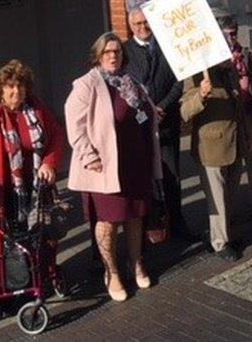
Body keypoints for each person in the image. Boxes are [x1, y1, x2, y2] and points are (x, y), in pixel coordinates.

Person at [65, 33, 162, 302]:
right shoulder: (86, 85)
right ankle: (113, 272)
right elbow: (75, 126)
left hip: (135, 164)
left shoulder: (130, 82)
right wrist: (88, 155)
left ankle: (136, 263)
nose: (112, 56)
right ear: (98, 55)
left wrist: (153, 114)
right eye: (107, 51)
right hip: (105, 168)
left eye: (117, 51)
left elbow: (144, 111)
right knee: (108, 223)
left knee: (135, 217)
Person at [0, 60, 64, 300]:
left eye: (20, 86)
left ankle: (38, 280)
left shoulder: (36, 110)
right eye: (10, 86)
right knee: (2, 244)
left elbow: (57, 136)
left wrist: (50, 162)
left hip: (35, 188)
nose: (16, 91)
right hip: (1, 191)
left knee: (40, 236)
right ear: (1, 89)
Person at [123, 0, 192, 239]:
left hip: (166, 122)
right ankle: (145, 230)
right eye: (138, 24)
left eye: (146, 23)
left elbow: (178, 82)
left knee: (173, 176)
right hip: (140, 128)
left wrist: (161, 107)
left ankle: (177, 223)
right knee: (144, 180)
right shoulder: (125, 52)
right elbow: (124, 87)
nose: (143, 28)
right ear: (131, 26)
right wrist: (147, 110)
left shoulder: (167, 47)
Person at [180, 57, 245, 262]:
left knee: (231, 196)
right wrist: (201, 94)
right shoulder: (196, 75)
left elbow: (238, 109)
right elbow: (184, 112)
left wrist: (246, 137)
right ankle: (220, 242)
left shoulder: (230, 73)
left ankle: (229, 234)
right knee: (217, 200)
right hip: (211, 147)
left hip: (235, 143)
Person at [219, 16, 252, 223]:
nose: (231, 38)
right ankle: (229, 209)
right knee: (232, 164)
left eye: (234, 33)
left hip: (249, 114)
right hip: (229, 117)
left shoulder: (248, 54)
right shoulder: (216, 59)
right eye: (227, 34)